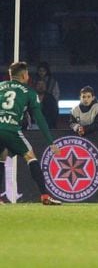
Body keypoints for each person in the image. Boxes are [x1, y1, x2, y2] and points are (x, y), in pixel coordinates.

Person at [0, 61, 61, 205]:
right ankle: (45, 196)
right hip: (11, 129)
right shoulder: (29, 92)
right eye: (27, 73)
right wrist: (50, 142)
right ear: (23, 75)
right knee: (30, 156)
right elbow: (39, 119)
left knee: (2, 157)